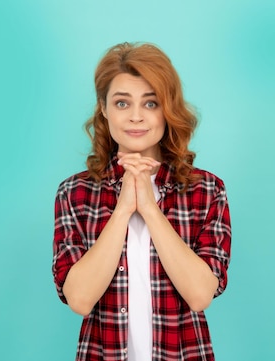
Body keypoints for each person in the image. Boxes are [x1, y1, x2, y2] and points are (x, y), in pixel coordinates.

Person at [52, 42, 232, 361]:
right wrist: (123, 209)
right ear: (104, 109)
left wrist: (149, 207)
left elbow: (201, 294)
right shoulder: (74, 192)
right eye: (122, 103)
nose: (136, 117)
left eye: (150, 104)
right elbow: (79, 298)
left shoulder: (207, 190)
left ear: (167, 109)